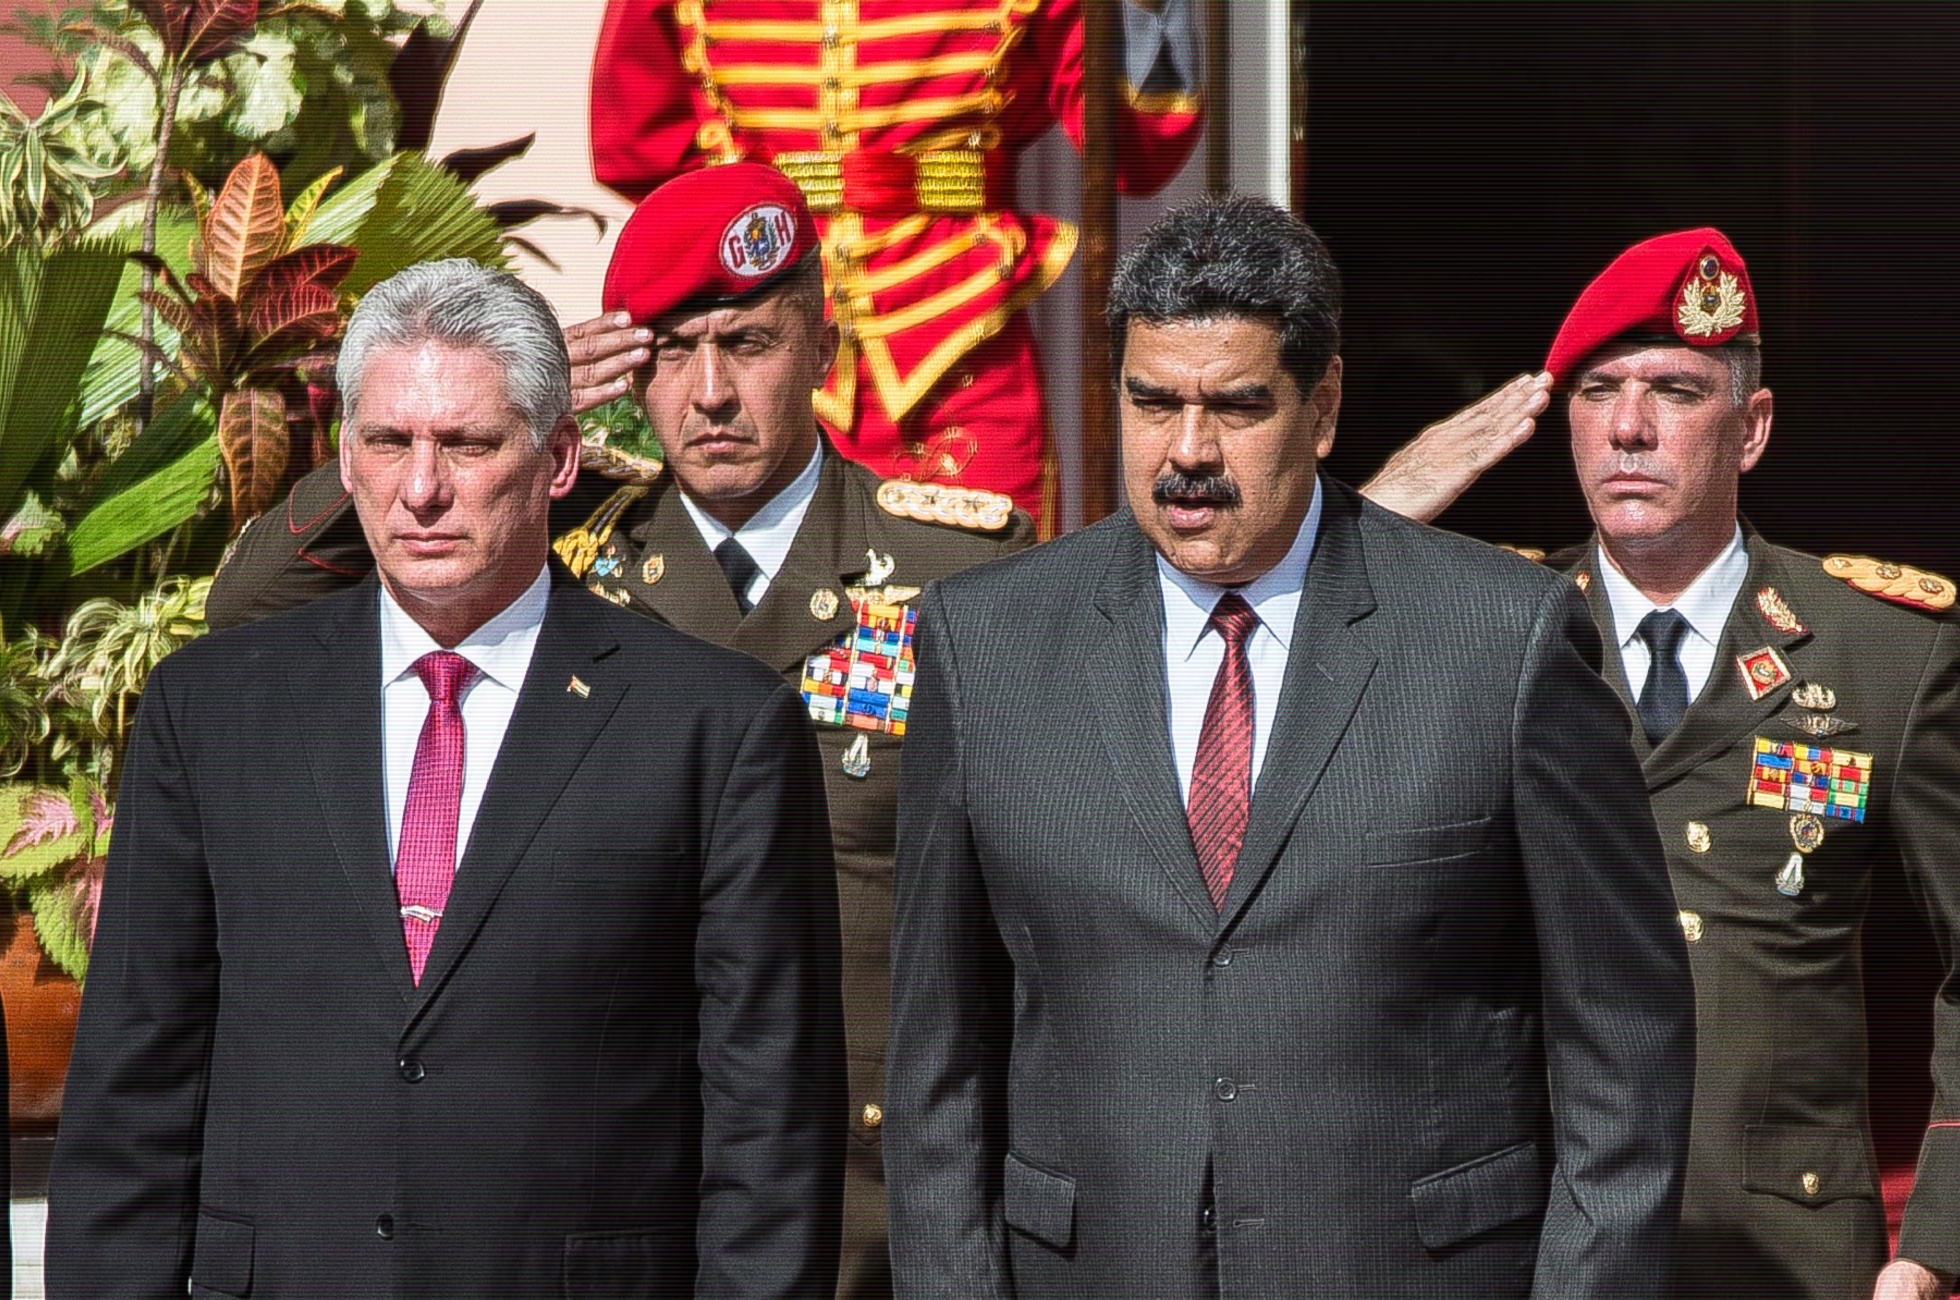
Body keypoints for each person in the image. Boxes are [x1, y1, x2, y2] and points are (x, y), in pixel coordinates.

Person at [203, 162, 1036, 1300]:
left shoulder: (959, 574)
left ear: (822, 351)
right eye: (669, 353)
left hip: (871, 1206)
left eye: (747, 344)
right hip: (609, 1209)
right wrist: (502, 398)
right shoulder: (554, 540)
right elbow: (251, 607)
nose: (710, 393)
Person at [883, 194, 1695, 1298]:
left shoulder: (1501, 640)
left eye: (1236, 406)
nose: (1187, 452)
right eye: (1151, 402)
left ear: (1323, 407)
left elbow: (1623, 1049)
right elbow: (937, 1064)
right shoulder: (985, 643)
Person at [45, 258, 847, 1298]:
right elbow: (132, 1091)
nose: (421, 489)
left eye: (467, 444)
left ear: (558, 458)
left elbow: (770, 1129)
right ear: (347, 457)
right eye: (389, 442)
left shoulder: (715, 727)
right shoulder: (213, 711)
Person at [1369, 227, 1960, 1300]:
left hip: (1782, 1254)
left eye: (1674, 391)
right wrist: (1379, 516)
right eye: (1597, 392)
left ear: (1751, 427)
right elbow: (1282, 696)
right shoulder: (1483, 629)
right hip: (1533, 1247)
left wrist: (1933, 1246)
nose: (1628, 428)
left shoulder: (1881, 645)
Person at [590, 0, 1206, 529]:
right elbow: (637, 147)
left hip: (960, 338)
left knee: (997, 607)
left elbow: (1138, 143)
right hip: (758, 346)